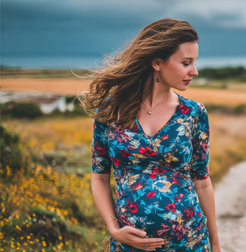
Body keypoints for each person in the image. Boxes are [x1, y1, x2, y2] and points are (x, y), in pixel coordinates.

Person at [82, 18, 220, 251]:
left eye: (194, 63)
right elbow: (99, 177)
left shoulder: (194, 114)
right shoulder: (111, 111)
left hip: (189, 242)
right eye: (186, 62)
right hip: (130, 245)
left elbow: (202, 181)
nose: (194, 71)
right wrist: (114, 229)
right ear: (157, 62)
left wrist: (215, 242)